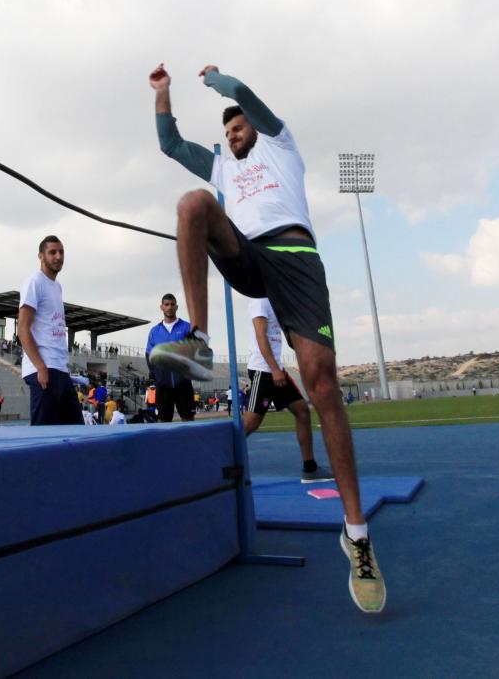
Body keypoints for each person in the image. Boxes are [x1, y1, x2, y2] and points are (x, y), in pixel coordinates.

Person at [146, 62, 385, 614]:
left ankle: (357, 534)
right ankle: (197, 342)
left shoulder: (280, 143)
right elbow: (168, 144)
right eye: (226, 131)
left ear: (254, 126)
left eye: (237, 128)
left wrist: (220, 82)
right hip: (249, 255)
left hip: (296, 259)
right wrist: (163, 93)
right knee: (192, 205)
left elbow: (247, 97)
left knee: (322, 388)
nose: (232, 134)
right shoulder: (223, 169)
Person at [242, 297, 332, 482]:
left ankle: (310, 468)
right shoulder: (259, 300)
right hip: (263, 369)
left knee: (302, 411)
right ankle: (217, 458)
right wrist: (274, 369)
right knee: (250, 423)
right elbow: (261, 336)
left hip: (275, 367)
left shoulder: (276, 300)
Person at [18, 235, 84, 426]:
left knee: (76, 432)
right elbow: (23, 329)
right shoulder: (34, 282)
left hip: (60, 369)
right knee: (44, 435)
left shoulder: (57, 287)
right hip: (44, 369)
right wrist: (40, 366)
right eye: (52, 252)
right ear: (41, 256)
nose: (58, 256)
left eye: (61, 252)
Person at [144, 293, 197, 422]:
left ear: (177, 307)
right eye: (167, 305)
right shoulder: (155, 331)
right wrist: (158, 376)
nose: (170, 307)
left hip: (183, 384)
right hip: (163, 386)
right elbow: (149, 355)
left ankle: (189, 443)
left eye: (172, 304)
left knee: (188, 420)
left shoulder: (187, 327)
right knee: (163, 422)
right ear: (161, 307)